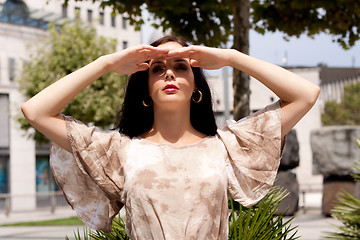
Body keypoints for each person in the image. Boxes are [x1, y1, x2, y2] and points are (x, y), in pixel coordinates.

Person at [21, 35, 320, 239]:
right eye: (158, 69)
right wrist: (107, 64)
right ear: (146, 91)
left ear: (196, 87)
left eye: (181, 67)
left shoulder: (226, 148)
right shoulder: (119, 151)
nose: (169, 74)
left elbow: (305, 95)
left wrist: (230, 57)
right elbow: (36, 111)